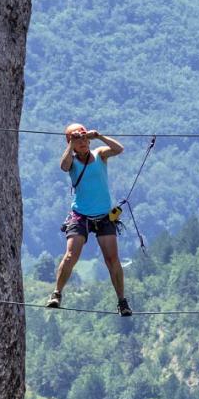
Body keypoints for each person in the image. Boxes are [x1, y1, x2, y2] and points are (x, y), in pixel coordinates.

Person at [47, 122, 131, 316]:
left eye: (85, 138)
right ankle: (56, 294)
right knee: (71, 255)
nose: (83, 142)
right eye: (78, 139)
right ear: (71, 142)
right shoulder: (72, 160)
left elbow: (119, 149)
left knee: (112, 259)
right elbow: (63, 166)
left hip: (103, 216)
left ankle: (122, 301)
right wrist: (71, 144)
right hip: (81, 215)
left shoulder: (100, 154)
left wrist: (99, 136)